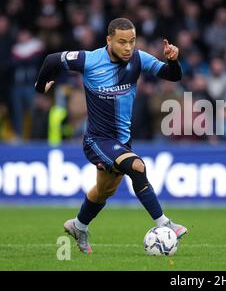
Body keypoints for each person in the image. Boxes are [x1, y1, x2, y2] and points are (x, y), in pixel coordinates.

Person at [34, 18, 187, 254]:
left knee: (103, 191)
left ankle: (78, 225)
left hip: (121, 141)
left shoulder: (139, 59)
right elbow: (51, 60)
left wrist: (173, 60)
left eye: (132, 41)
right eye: (122, 42)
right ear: (109, 40)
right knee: (137, 167)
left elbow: (172, 76)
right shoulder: (90, 60)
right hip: (97, 140)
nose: (128, 47)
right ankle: (165, 224)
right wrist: (40, 87)